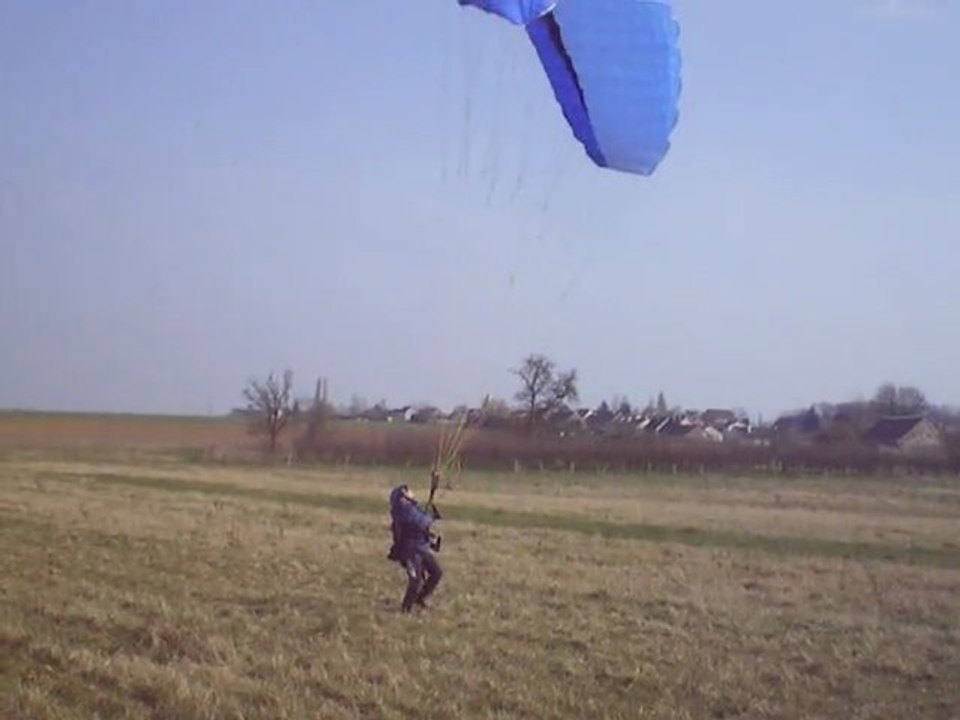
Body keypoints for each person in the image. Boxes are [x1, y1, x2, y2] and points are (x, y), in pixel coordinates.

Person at [388, 482, 443, 612]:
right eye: (408, 491)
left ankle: (420, 598)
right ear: (402, 498)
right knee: (415, 580)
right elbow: (420, 522)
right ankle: (406, 608)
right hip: (410, 553)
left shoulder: (412, 509)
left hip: (421, 549)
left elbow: (420, 528)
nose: (412, 493)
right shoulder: (402, 511)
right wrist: (430, 516)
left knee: (436, 573)